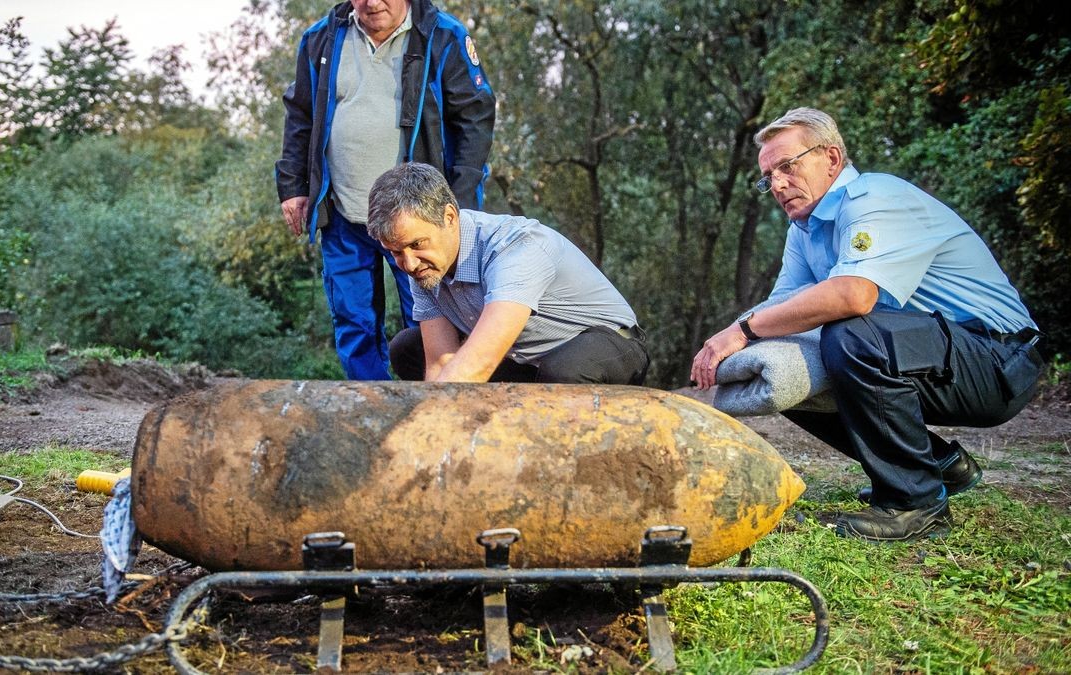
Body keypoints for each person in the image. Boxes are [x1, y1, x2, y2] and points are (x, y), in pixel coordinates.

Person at [691, 107, 1044, 542]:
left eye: (788, 166)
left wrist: (742, 331)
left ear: (832, 159)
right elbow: (783, 304)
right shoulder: (802, 229)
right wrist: (731, 340)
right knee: (778, 361)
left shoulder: (873, 197)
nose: (778, 184)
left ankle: (915, 504)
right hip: (936, 356)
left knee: (851, 333)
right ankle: (940, 467)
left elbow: (854, 295)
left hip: (998, 359)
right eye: (768, 178)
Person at [275, 0, 495, 380]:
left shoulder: (443, 35)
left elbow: (474, 118)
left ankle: (431, 411)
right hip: (343, 208)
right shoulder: (321, 38)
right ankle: (369, 411)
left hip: (418, 221)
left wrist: (456, 204)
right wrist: (293, 185)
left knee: (430, 321)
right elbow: (300, 114)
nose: (371, 2)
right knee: (353, 321)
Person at [367, 163, 650, 384]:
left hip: (611, 346)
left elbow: (480, 361)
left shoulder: (514, 248)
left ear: (449, 217)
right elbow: (441, 362)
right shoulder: (424, 265)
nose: (410, 263)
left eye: (417, 245)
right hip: (527, 361)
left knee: (563, 372)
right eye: (395, 252)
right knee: (407, 348)